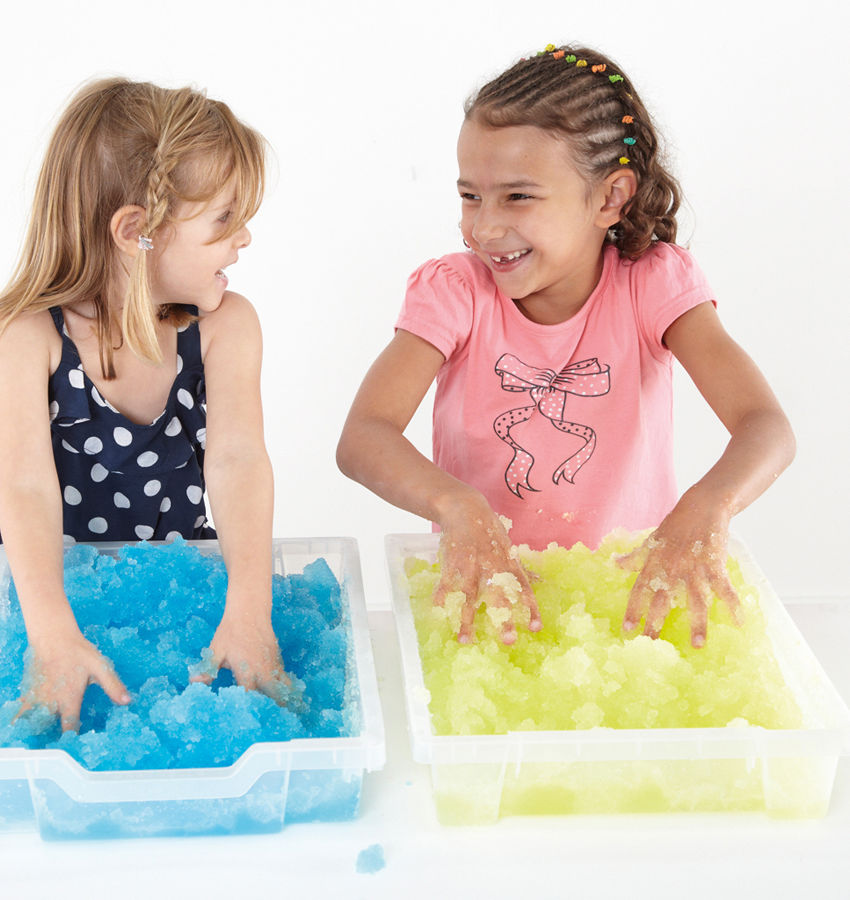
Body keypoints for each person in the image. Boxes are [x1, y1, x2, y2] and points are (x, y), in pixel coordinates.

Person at [337, 44, 795, 649]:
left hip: (627, 598)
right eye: (471, 196)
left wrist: (709, 505)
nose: (484, 227)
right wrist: (457, 505)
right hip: (491, 596)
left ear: (609, 198)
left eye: (518, 197)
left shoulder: (654, 285)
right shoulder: (455, 292)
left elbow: (766, 426)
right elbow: (363, 436)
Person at [0, 77, 286, 730]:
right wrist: (52, 636)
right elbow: (26, 488)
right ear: (137, 231)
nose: (244, 237)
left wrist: (249, 609)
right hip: (42, 601)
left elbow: (238, 461)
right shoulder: (28, 339)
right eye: (223, 219)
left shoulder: (224, 327)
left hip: (169, 589)